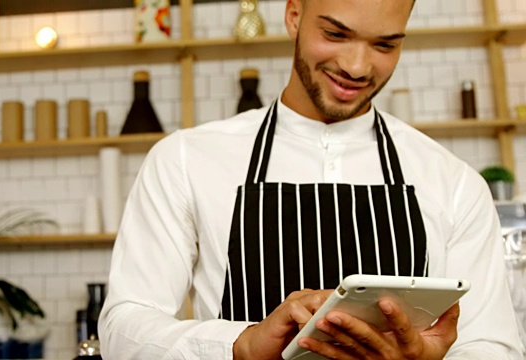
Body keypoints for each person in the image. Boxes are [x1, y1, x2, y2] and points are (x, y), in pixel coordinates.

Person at [98, 0, 523, 358]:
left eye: (384, 44)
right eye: (336, 34)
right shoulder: (186, 159)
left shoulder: (454, 181)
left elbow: (493, 346)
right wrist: (240, 345)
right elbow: (123, 328)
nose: (356, 67)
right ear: (294, 16)